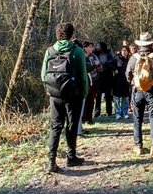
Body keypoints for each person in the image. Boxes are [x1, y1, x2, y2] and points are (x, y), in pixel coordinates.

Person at [40, 21, 90, 173]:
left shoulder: (50, 51)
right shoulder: (78, 51)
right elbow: (83, 76)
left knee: (55, 126)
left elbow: (43, 75)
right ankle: (71, 157)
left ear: (57, 35)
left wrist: (50, 90)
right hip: (74, 95)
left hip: (54, 95)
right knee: (71, 125)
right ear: (72, 35)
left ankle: (51, 161)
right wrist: (84, 94)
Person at [126, 32, 153, 156]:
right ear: (151, 43)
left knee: (137, 118)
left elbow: (127, 75)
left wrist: (135, 81)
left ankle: (138, 146)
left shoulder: (133, 58)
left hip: (138, 91)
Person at [81, 41, 102, 124]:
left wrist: (98, 65)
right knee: (84, 100)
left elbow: (100, 67)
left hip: (94, 80)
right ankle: (82, 118)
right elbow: (86, 68)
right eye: (90, 47)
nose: (92, 49)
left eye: (92, 47)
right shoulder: (82, 56)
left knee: (91, 100)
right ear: (85, 48)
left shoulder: (94, 56)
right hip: (85, 81)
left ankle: (89, 118)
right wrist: (94, 66)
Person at [93, 41, 115, 117]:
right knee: (98, 95)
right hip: (98, 77)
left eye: (98, 45)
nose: (97, 47)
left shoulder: (108, 54)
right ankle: (97, 112)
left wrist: (104, 67)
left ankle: (109, 111)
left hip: (108, 77)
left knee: (108, 95)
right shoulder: (95, 54)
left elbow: (112, 64)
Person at [112, 43, 131, 120]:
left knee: (125, 98)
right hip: (117, 81)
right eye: (122, 50)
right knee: (117, 98)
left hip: (126, 81)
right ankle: (117, 113)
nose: (123, 52)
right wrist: (114, 69)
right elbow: (109, 64)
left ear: (128, 52)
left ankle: (125, 113)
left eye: (125, 50)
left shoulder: (129, 60)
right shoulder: (116, 58)